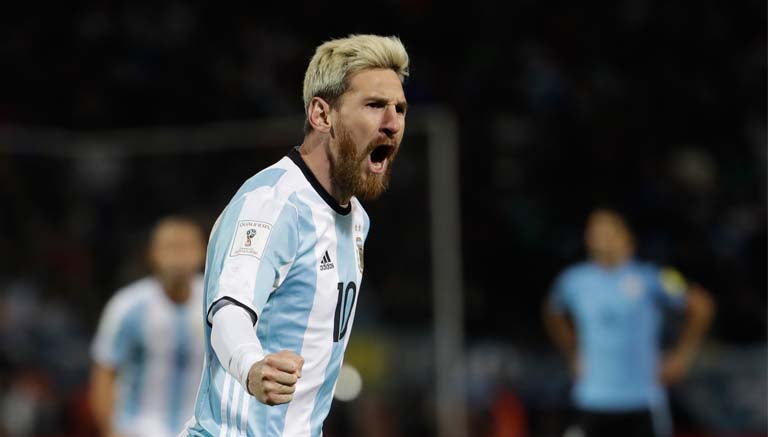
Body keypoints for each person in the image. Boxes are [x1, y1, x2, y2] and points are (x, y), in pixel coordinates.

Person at [182, 34, 409, 437]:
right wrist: (253, 367)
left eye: (399, 108)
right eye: (374, 105)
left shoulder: (356, 219)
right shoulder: (272, 203)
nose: (392, 123)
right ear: (322, 115)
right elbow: (229, 310)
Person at [543, 208, 715, 437]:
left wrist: (683, 356)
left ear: (626, 236)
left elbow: (701, 305)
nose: (600, 237)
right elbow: (552, 312)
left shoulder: (652, 277)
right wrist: (572, 351)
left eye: (608, 230)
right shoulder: (573, 280)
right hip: (591, 398)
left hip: (642, 400)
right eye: (594, 231)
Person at [90, 216, 206, 437]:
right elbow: (104, 372)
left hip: (200, 430)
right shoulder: (126, 306)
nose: (179, 256)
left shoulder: (216, 304)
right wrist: (109, 431)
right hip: (137, 429)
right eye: (171, 247)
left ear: (203, 252)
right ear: (152, 253)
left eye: (187, 247)